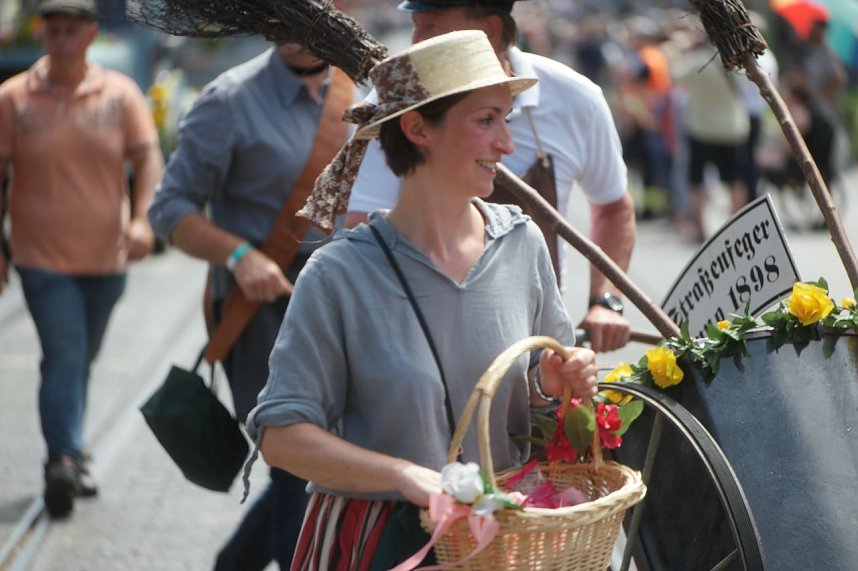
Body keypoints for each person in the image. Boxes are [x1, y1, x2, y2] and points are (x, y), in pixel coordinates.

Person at [245, 30, 599, 569]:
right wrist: (406, 476)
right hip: (381, 545)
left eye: (506, 118)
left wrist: (554, 388)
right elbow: (282, 435)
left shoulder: (521, 244)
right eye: (486, 120)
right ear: (417, 129)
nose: (506, 143)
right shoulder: (340, 274)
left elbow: (538, 416)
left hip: (504, 544)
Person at [147, 39, 354, 569]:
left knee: (323, 467)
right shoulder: (228, 99)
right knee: (296, 464)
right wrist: (238, 255)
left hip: (351, 313)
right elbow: (169, 209)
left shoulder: (367, 87)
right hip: (264, 315)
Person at [344, 0, 635, 354]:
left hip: (534, 346)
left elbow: (613, 207)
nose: (417, 41)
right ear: (416, 129)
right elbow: (362, 228)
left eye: (431, 27)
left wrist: (605, 301)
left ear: (490, 31)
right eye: (415, 26)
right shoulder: (396, 105)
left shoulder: (575, 99)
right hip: (417, 341)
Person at [0, 0, 163, 518]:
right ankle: (65, 460)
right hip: (40, 256)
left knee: (79, 362)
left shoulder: (119, 94)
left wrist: (142, 220)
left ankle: (67, 451)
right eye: (53, 32)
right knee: (66, 355)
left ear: (90, 34)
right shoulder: (14, 98)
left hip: (106, 258)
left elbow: (147, 156)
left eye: (71, 32)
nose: (61, 41)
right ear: (43, 34)